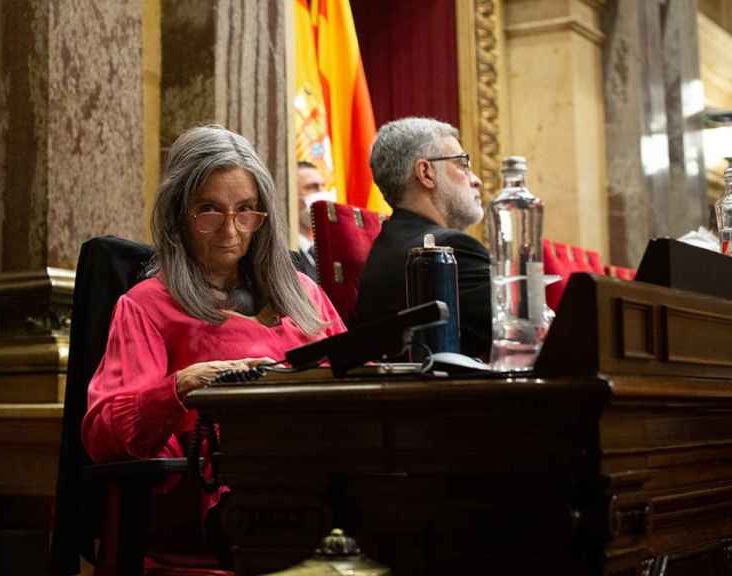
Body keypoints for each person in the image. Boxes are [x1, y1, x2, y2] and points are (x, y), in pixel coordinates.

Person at [82, 125, 346, 563]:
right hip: (222, 501)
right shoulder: (148, 305)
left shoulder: (303, 293)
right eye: (209, 210)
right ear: (178, 215)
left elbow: (347, 373)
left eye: (246, 211)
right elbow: (105, 435)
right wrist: (180, 386)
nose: (231, 230)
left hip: (317, 473)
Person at [355, 117, 491, 360]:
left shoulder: (386, 245)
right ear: (426, 173)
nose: (476, 180)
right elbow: (521, 334)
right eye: (462, 164)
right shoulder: (453, 249)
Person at [290, 161, 334, 280]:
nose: (321, 193)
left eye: (323, 186)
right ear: (290, 195)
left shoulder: (331, 250)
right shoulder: (284, 251)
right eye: (311, 187)